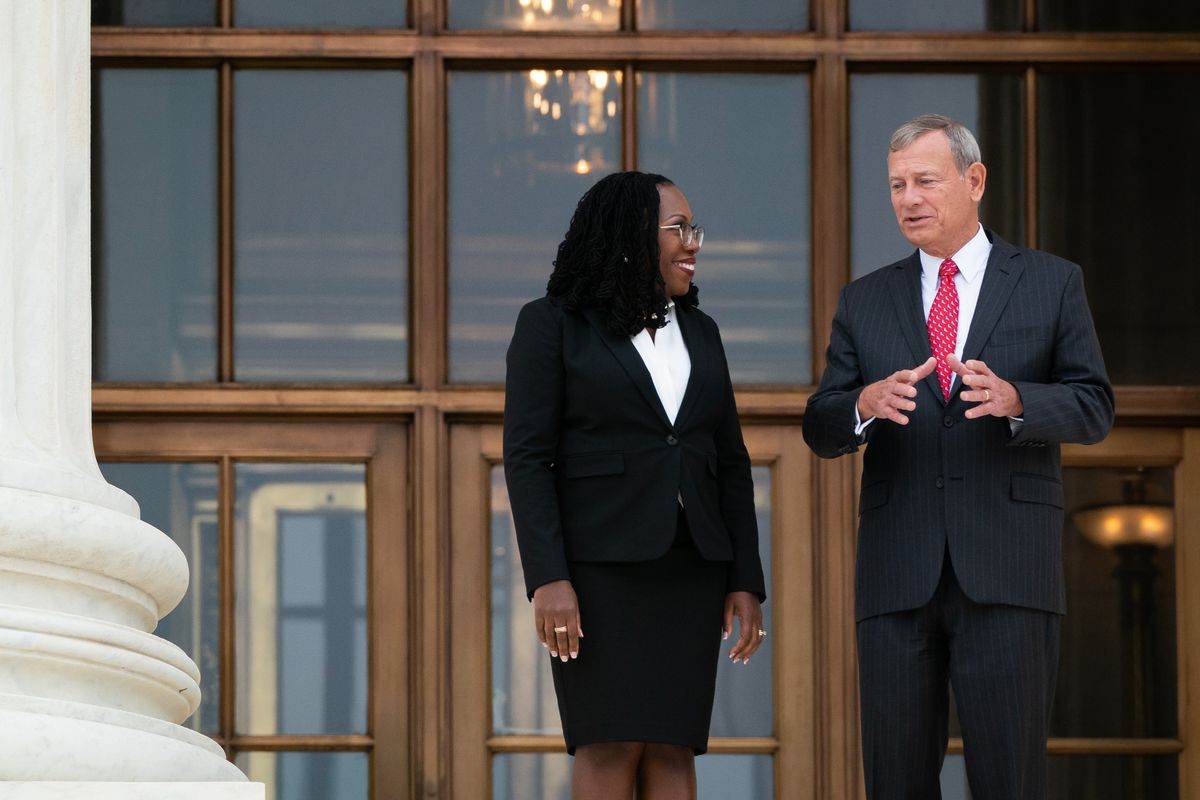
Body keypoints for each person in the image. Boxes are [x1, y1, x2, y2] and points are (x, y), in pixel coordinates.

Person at [803, 114, 1114, 799]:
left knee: (1010, 780)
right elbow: (820, 423)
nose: (908, 199)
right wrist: (863, 404)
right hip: (897, 575)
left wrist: (1016, 400)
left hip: (1008, 569)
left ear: (974, 181)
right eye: (896, 185)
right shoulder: (864, 300)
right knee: (896, 782)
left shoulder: (1051, 282)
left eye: (924, 181)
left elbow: (1094, 405)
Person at [504, 171, 767, 799]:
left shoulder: (702, 332)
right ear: (629, 236)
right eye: (678, 228)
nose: (692, 243)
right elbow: (527, 459)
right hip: (598, 575)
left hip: (691, 569)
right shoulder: (553, 325)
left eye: (693, 229)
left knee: (674, 747)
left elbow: (729, 460)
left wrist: (745, 579)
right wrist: (548, 577)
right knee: (610, 741)